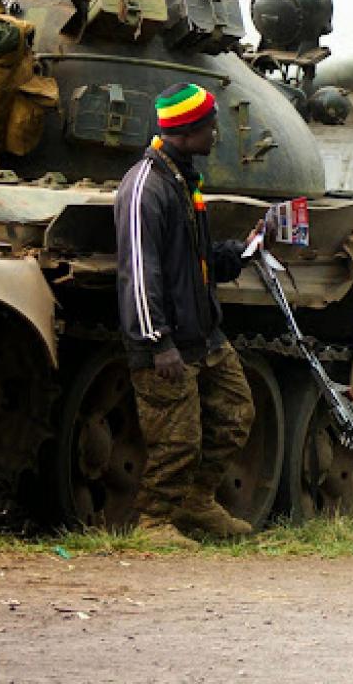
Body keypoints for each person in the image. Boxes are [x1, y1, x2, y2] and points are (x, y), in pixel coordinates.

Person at [114, 82, 263, 546]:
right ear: (186, 131)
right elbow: (140, 272)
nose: (216, 134)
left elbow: (193, 259)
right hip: (166, 339)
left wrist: (243, 251)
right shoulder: (146, 186)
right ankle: (154, 521)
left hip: (203, 334)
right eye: (210, 126)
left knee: (236, 412)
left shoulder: (180, 179)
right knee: (177, 438)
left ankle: (196, 501)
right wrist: (157, 342)